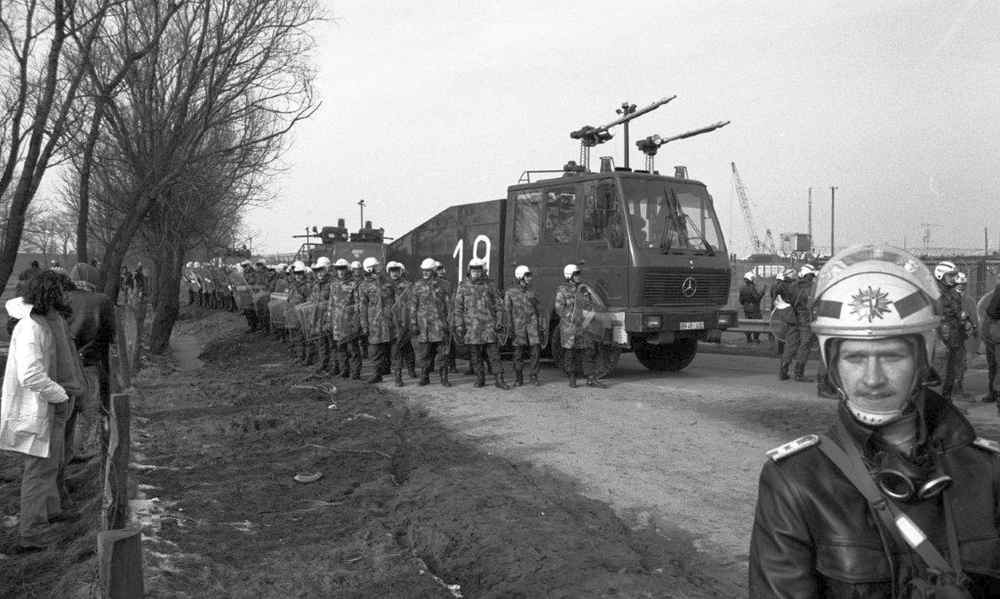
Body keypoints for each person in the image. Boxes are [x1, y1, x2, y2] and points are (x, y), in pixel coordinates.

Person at [749, 244, 1000, 597]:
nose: (872, 379)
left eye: (892, 356)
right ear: (832, 364)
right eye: (854, 358)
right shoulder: (796, 481)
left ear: (921, 358)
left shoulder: (988, 470)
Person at [1, 271, 74, 551]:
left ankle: (50, 513)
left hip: (49, 405)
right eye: (60, 291)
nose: (65, 296)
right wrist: (60, 394)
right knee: (38, 470)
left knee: (49, 465)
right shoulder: (31, 327)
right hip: (39, 407)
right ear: (49, 293)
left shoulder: (44, 322)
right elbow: (30, 375)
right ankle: (32, 532)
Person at [66, 263, 115, 461]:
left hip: (65, 362)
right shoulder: (101, 301)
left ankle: (66, 451)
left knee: (67, 410)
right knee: (89, 410)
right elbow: (111, 332)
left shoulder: (63, 298)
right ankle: (81, 450)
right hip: (91, 361)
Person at [453, 258, 508, 390]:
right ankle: (480, 378)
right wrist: (459, 325)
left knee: (494, 355)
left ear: (482, 271)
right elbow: (458, 308)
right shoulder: (463, 287)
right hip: (472, 328)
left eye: (478, 270)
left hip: (489, 327)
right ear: (469, 271)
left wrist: (500, 321)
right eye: (473, 270)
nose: (476, 272)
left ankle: (499, 379)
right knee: (475, 356)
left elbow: (499, 305)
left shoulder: (490, 285)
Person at [554, 264, 606, 388]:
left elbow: (591, 305)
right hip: (570, 327)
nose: (579, 276)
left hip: (584, 326)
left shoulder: (584, 290)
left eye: (579, 274)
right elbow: (558, 308)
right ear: (569, 276)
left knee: (589, 350)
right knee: (570, 352)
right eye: (576, 274)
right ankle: (572, 377)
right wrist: (572, 317)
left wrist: (589, 316)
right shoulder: (562, 290)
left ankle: (591, 378)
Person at [409, 258, 451, 386]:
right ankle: (424, 377)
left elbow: (449, 305)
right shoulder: (417, 285)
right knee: (425, 354)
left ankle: (444, 378)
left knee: (443, 354)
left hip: (440, 325)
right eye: (423, 270)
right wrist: (413, 323)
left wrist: (449, 323)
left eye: (428, 270)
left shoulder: (444, 284)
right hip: (424, 326)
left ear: (433, 270)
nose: (425, 272)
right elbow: (413, 306)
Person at [934, 261, 969, 401]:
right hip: (940, 338)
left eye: (954, 275)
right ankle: (936, 406)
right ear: (940, 275)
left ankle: (946, 403)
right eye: (950, 275)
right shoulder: (933, 292)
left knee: (951, 372)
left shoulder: (952, 292)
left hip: (954, 337)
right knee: (940, 373)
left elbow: (956, 311)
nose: (954, 278)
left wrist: (964, 321)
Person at [504, 265, 544, 386]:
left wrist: (541, 325)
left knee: (536, 351)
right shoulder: (510, 293)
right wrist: (509, 327)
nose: (529, 278)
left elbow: (539, 310)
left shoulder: (533, 292)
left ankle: (533, 376)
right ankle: (518, 378)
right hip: (518, 327)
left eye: (530, 275)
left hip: (532, 326)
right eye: (527, 276)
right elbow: (507, 311)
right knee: (518, 353)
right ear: (520, 277)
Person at [359, 257, 393, 383]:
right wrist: (364, 325)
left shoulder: (388, 282)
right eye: (376, 266)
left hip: (389, 320)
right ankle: (376, 374)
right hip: (374, 322)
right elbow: (362, 306)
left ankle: (386, 369)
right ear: (370, 268)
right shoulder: (364, 285)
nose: (379, 268)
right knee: (374, 349)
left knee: (388, 347)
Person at [330, 259, 362, 379]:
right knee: (340, 348)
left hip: (350, 322)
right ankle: (344, 371)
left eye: (343, 268)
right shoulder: (333, 284)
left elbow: (359, 304)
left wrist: (355, 318)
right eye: (338, 269)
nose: (341, 271)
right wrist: (329, 320)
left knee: (353, 348)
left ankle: (355, 373)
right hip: (337, 322)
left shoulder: (354, 284)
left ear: (347, 269)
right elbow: (331, 303)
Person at [387, 261, 412, 386]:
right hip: (390, 322)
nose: (394, 273)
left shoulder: (407, 286)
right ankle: (398, 376)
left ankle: (409, 371)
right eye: (392, 271)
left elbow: (410, 304)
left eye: (396, 271)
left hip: (403, 321)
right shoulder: (385, 286)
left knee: (405, 347)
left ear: (400, 271)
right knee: (397, 349)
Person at [978, 280, 1000, 405]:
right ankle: (995, 394)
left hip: (991, 330)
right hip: (994, 330)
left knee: (993, 364)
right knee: (995, 363)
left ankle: (993, 393)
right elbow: (992, 312)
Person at [771, 268, 797, 363]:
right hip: (792, 312)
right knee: (791, 334)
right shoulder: (794, 286)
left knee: (782, 332)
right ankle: (789, 353)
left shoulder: (779, 286)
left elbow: (775, 299)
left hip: (782, 312)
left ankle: (781, 351)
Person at [739, 271, 765, 344]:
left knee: (748, 324)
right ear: (751, 279)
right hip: (754, 310)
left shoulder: (742, 288)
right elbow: (757, 299)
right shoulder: (752, 288)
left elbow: (741, 301)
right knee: (758, 323)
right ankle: (756, 339)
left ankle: (748, 339)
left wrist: (746, 304)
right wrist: (762, 292)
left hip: (746, 309)